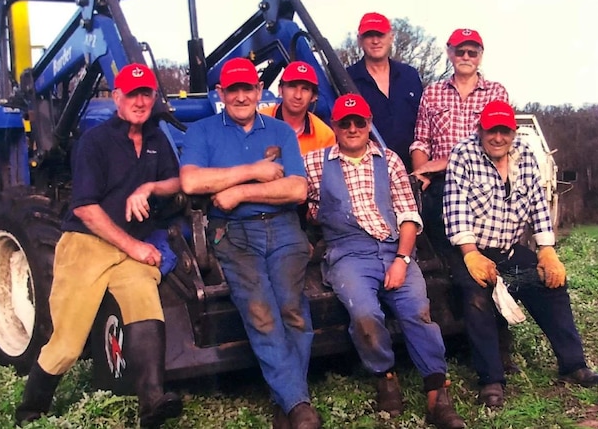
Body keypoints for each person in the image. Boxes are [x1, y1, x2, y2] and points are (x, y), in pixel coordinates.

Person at [15, 63, 183, 428]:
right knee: (67, 345)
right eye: (132, 94)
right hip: (87, 245)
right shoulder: (95, 142)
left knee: (144, 301)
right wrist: (135, 248)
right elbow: (86, 209)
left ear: (154, 98)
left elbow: (175, 182)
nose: (140, 101)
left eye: (146, 94)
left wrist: (150, 188)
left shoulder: (157, 140)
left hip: (131, 246)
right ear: (117, 98)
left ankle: (151, 400)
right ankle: (30, 410)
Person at [304, 93, 465, 429]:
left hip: (394, 248)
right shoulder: (314, 163)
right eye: (344, 123)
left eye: (358, 122)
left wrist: (402, 260)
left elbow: (408, 215)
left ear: (367, 125)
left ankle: (437, 394)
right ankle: (384, 374)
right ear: (334, 125)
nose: (352, 128)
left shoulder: (389, 160)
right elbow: (294, 196)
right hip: (347, 253)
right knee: (364, 313)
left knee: (418, 311)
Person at [179, 57, 321, 429]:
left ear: (259, 91)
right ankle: (298, 405)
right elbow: (192, 183)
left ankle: (286, 400)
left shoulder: (278, 131)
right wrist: (255, 173)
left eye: (248, 88)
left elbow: (296, 188)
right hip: (233, 234)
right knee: (260, 312)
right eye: (233, 89)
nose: (241, 96)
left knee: (292, 309)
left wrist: (237, 190)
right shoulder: (202, 131)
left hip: (285, 230)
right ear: (220, 92)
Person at [443, 100, 598, 408]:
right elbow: (455, 208)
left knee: (551, 283)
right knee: (477, 297)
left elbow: (537, 205)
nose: (498, 138)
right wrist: (470, 253)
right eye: (491, 130)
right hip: (473, 252)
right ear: (480, 129)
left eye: (504, 131)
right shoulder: (463, 155)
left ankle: (574, 365)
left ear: (512, 131)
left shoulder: (525, 155)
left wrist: (546, 250)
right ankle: (491, 380)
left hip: (509, 252)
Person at [409, 28, 518, 373]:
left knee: (490, 266)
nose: (466, 58)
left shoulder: (496, 92)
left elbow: (497, 144)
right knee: (452, 268)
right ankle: (461, 341)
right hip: (442, 191)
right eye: (460, 51)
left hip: (484, 189)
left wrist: (439, 162)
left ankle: (501, 348)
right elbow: (419, 141)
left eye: (473, 52)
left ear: (481, 55)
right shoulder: (433, 93)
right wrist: (421, 174)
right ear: (450, 52)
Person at [346, 12, 422, 169]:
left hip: (412, 171)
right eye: (369, 35)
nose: (375, 41)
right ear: (360, 40)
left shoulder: (410, 75)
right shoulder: (346, 79)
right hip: (366, 170)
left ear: (391, 37)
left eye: (380, 34)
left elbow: (424, 124)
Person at [259, 60, 335, 156]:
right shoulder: (258, 121)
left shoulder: (325, 136)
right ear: (280, 90)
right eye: (292, 86)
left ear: (314, 96)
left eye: (305, 89)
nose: (298, 95)